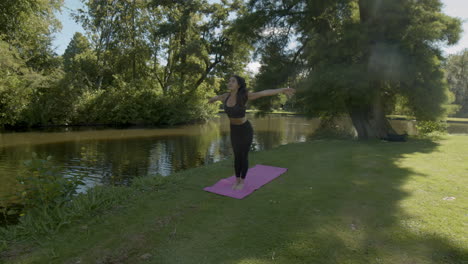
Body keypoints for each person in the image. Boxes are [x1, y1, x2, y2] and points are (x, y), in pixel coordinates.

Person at [208, 75, 296, 190]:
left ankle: (242, 182)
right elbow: (217, 97)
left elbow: (264, 93)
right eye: (229, 81)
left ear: (238, 85)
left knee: (243, 156)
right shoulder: (225, 96)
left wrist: (282, 90)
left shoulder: (244, 96)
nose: (230, 83)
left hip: (245, 130)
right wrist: (211, 99)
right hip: (234, 130)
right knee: (237, 156)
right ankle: (237, 180)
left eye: (233, 81)